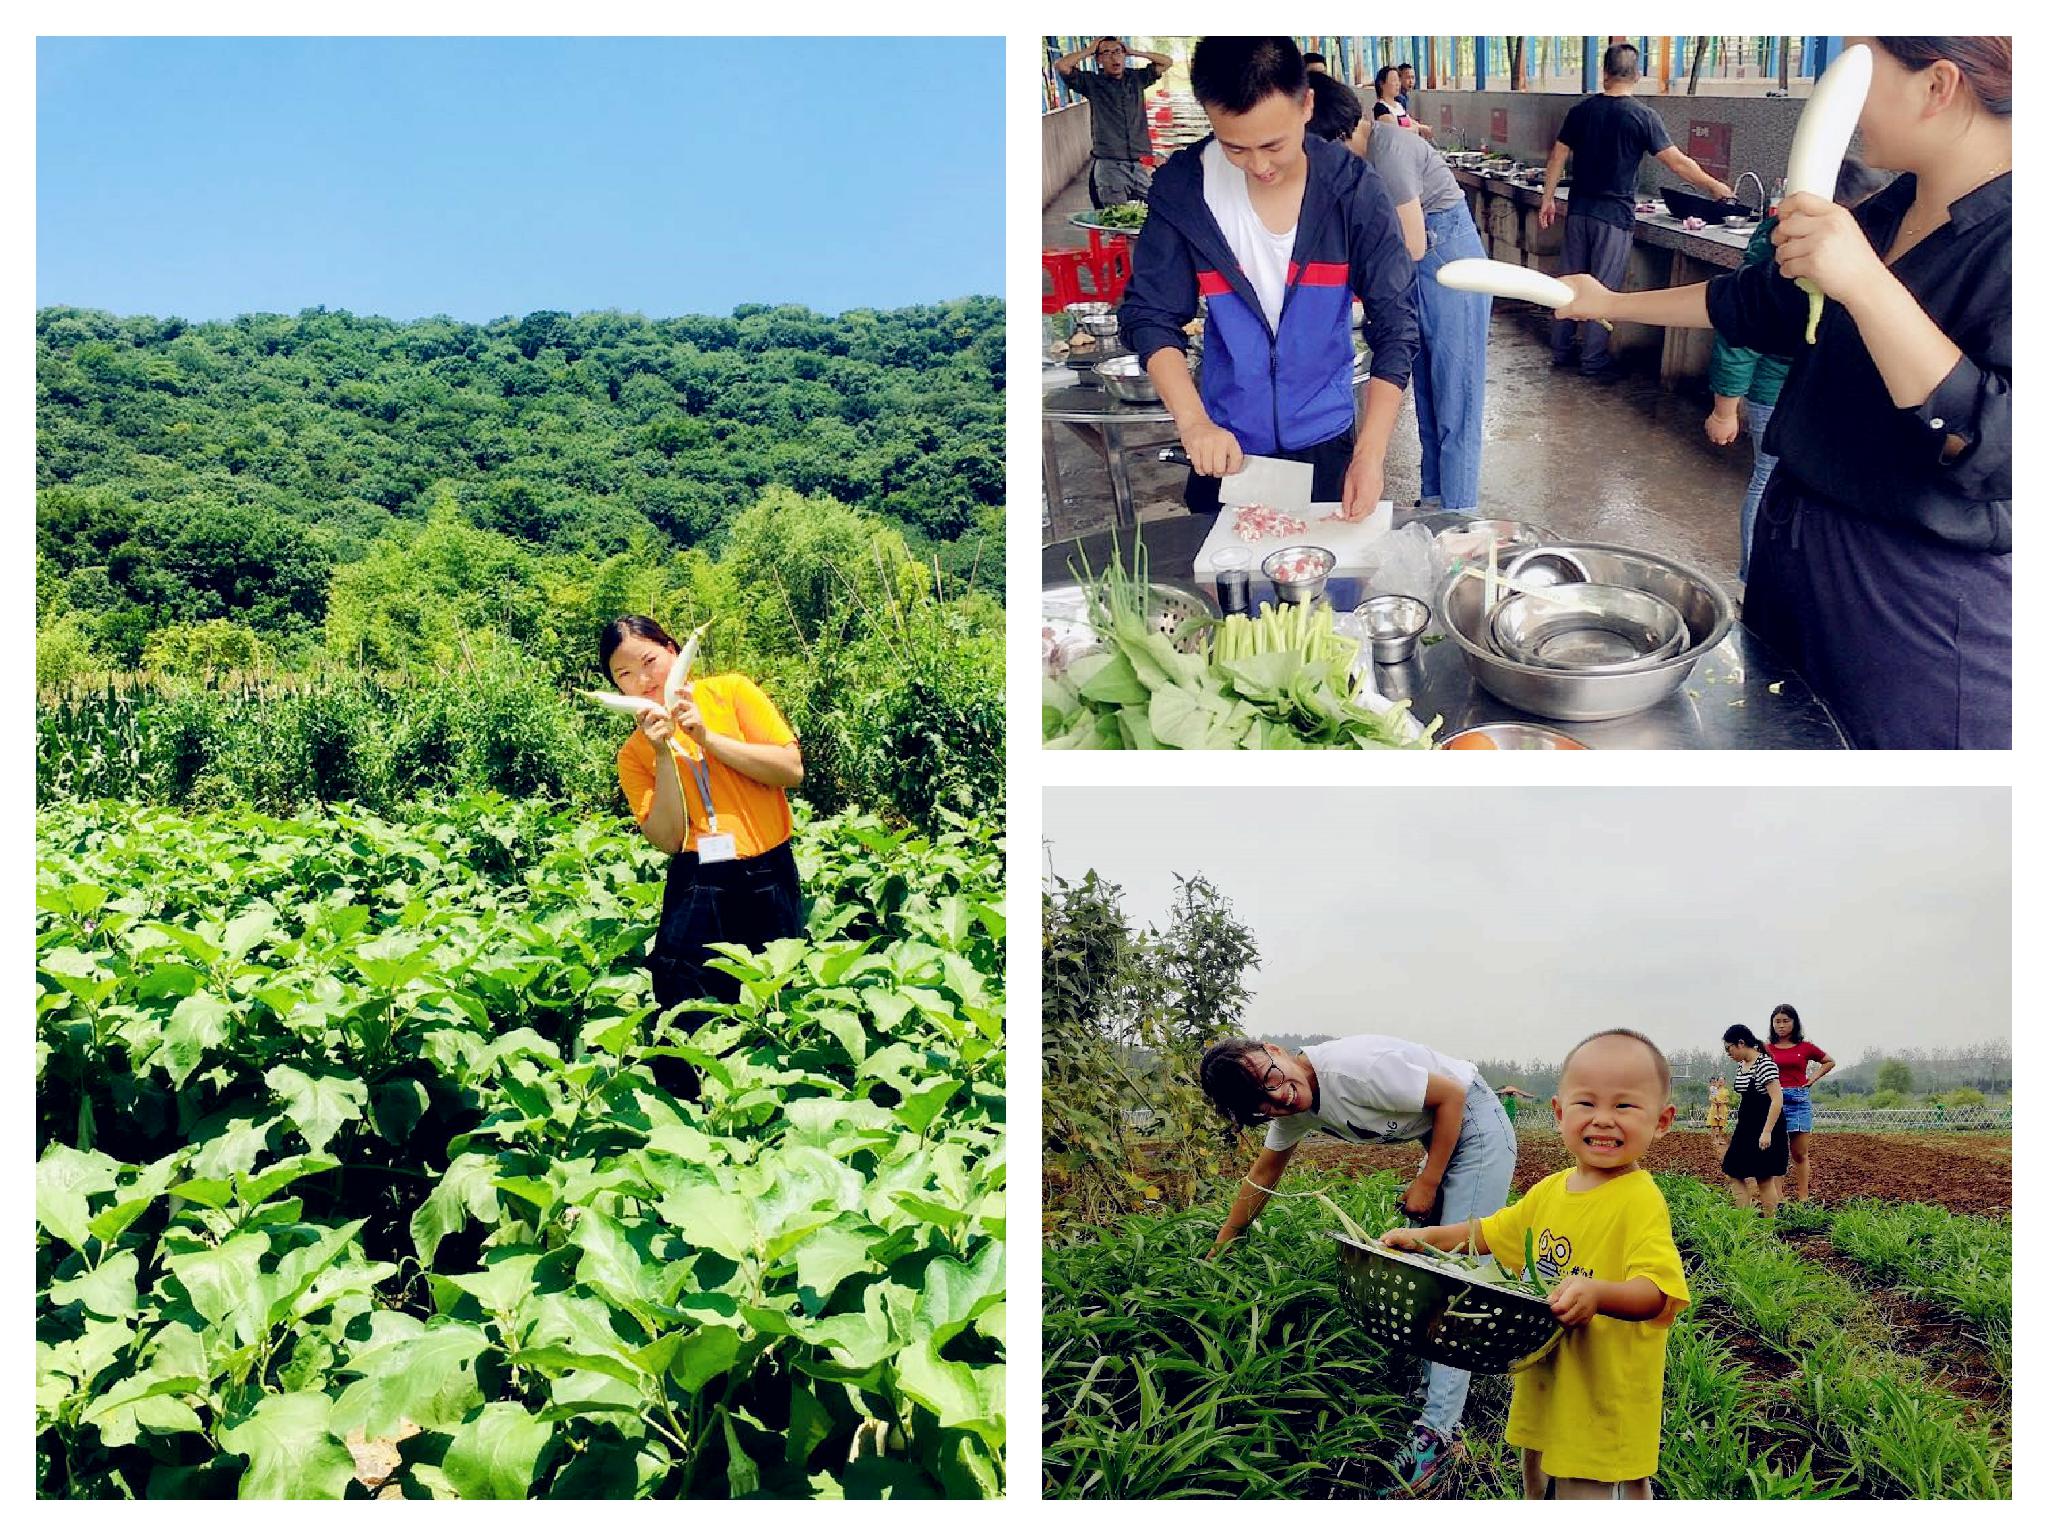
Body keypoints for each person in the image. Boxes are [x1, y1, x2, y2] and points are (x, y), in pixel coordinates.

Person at [1554, 37, 2010, 748]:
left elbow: (2000, 445)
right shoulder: (1895, 207)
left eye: (1859, 77)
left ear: (1937, 85)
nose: (1844, 110)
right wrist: (1606, 301)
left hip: (1911, 610)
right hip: (1796, 558)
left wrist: (1864, 283)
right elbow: (1758, 302)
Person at [1198, 1033, 1516, 1494]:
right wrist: (1222, 1245)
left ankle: (1439, 1436)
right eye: (1260, 1105)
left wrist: (1428, 1182)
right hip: (1442, 1135)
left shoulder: (1352, 1070)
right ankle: (1435, 1394)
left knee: (1456, 1277)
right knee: (1429, 1268)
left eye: (1270, 1079)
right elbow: (1264, 1173)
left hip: (1474, 1124)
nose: (1278, 1098)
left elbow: (1451, 1095)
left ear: (1275, 1050)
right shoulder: (1294, 1105)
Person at [1380, 1030, 1689, 1500]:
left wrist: (1598, 1294)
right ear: (1560, 1113)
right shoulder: (1550, 1190)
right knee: (1539, 1479)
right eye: (1587, 1103)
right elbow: (1487, 1233)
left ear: (1661, 1121)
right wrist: (1425, 1239)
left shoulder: (1639, 1200)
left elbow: (1659, 1292)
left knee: (1588, 1492)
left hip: (1602, 1396)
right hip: (1548, 1385)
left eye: (1625, 1106)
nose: (1603, 1119)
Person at [1120, 36, 1418, 520]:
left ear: (1307, 106)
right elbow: (1151, 314)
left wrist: (1370, 454)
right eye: (1234, 147)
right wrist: (1194, 423)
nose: (1258, 166)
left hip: (1326, 443)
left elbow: (1396, 324)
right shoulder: (1184, 188)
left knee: (1325, 565)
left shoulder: (1351, 190)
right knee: (1220, 564)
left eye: (1273, 145)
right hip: (1225, 446)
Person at [601, 616, 806, 1099]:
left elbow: (790, 770)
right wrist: (663, 753)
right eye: (625, 675)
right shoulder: (634, 753)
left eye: (650, 661)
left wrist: (707, 737)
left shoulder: (732, 693)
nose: (644, 680)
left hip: (768, 870)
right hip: (698, 879)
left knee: (776, 992)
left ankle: (775, 1102)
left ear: (674, 652)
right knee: (683, 994)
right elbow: (669, 838)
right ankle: (692, 1107)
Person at [1707, 159, 1889, 580]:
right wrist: (1724, 408)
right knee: (1767, 479)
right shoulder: (1783, 243)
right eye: (1861, 209)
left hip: (1818, 389)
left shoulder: (1846, 248)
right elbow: (1739, 331)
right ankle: (1752, 579)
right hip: (1776, 389)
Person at [1539, 42, 1733, 381]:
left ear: (1604, 73)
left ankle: (1561, 350)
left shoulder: (1581, 111)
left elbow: (1557, 156)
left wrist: (1548, 198)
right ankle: (1593, 362)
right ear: (1638, 75)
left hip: (1579, 211)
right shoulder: (1642, 116)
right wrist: (1715, 187)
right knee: (1603, 289)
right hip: (1613, 218)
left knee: (1569, 283)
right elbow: (1677, 163)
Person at [1353, 105, 1490, 510]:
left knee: (1456, 400)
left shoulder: (1388, 151)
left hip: (1450, 263)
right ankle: (1433, 500)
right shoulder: (1367, 156)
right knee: (1428, 396)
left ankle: (1459, 515)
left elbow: (1412, 244)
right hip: (1420, 268)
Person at [1053, 37, 1173, 208]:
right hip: (1110, 165)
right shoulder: (1092, 83)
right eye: (1106, 53)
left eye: (1117, 52)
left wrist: (1134, 52)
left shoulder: (1137, 79)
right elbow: (1062, 66)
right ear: (1099, 59)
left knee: (1155, 212)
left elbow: (1167, 62)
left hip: (1141, 162)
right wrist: (1089, 50)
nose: (1114, 57)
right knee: (1117, 218)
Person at [1763, 1004, 1836, 1202]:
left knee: (1800, 1153)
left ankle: (1803, 1197)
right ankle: (1778, 1198)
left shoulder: (1805, 1047)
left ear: (1794, 1023)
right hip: (1774, 1102)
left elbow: (1829, 1061)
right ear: (1772, 1024)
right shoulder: (1766, 1048)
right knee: (1777, 1153)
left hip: (1799, 1101)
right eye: (1777, 1021)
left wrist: (1813, 1078)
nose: (1781, 1025)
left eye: (1786, 1021)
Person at [1720, 1024, 1788, 1217]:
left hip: (1765, 1125)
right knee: (1734, 1171)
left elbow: (1777, 1100)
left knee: (1763, 1178)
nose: (1729, 1054)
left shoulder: (1765, 1064)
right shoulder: (1742, 1066)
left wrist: (1766, 1132)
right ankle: (1745, 1221)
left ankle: (1769, 1226)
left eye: (1729, 1049)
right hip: (1746, 1126)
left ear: (1741, 1043)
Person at [1371, 65, 1417, 129]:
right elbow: (1394, 123)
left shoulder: (1399, 105)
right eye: (1394, 80)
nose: (1398, 84)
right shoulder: (1380, 107)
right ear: (1381, 84)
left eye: (1398, 80)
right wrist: (1414, 126)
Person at [1704, 1074, 1731, 1157]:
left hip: (1722, 1108)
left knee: (1721, 1125)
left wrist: (1722, 1102)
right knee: (1714, 1124)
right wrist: (1716, 1102)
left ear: (1724, 1082)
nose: (1721, 1082)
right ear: (1717, 1081)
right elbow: (1710, 1098)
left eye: (1722, 1081)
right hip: (1714, 1107)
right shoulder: (1714, 1089)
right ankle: (1714, 1139)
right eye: (1720, 1081)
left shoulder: (1726, 1090)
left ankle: (1719, 1139)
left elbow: (1727, 1100)